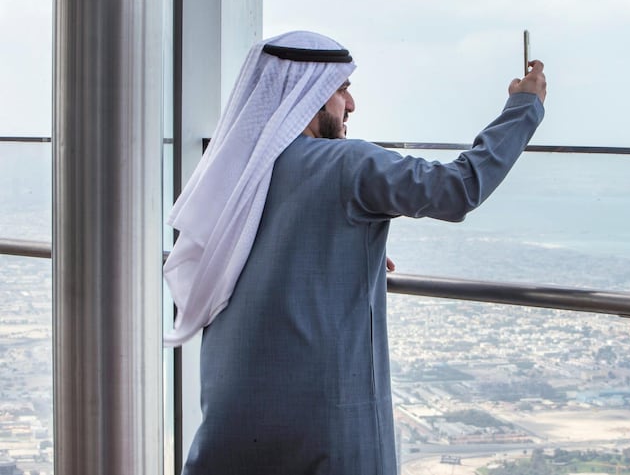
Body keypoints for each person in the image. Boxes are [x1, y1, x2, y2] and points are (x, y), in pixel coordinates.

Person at [163, 30, 547, 474]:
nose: (351, 105)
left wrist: (347, 243)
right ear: (308, 94)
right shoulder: (348, 164)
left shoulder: (238, 172)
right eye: (342, 90)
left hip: (232, 411)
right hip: (325, 424)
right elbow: (458, 188)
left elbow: (256, 240)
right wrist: (523, 108)